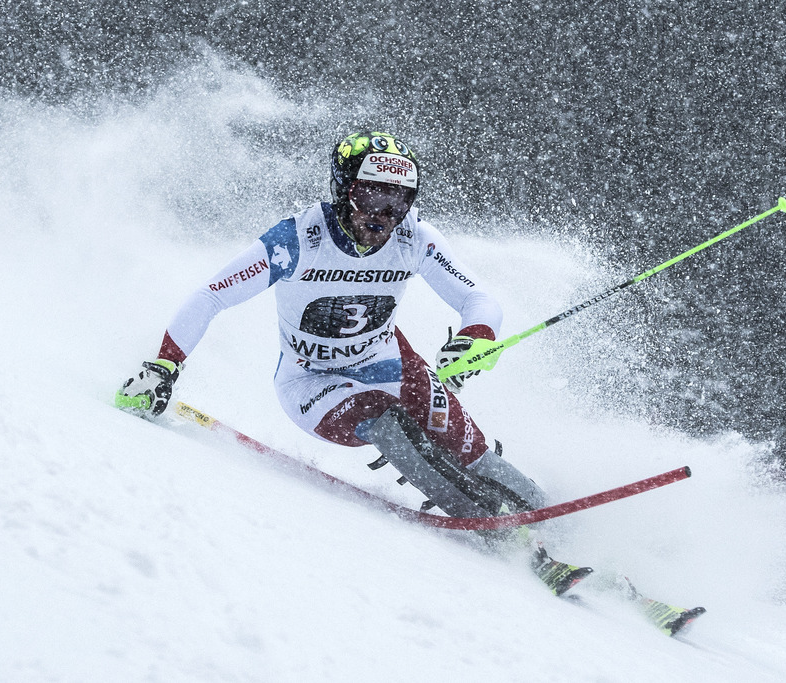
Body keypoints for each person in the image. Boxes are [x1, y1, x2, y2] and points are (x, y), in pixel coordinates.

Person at [116, 130, 592, 596]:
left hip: (389, 361)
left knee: (473, 452)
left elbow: (480, 299)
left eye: (398, 201)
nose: (384, 216)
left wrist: (475, 337)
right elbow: (210, 295)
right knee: (390, 425)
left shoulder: (414, 238)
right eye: (372, 198)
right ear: (344, 188)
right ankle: (512, 538)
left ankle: (567, 531)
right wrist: (162, 368)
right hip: (311, 382)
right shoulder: (297, 239)